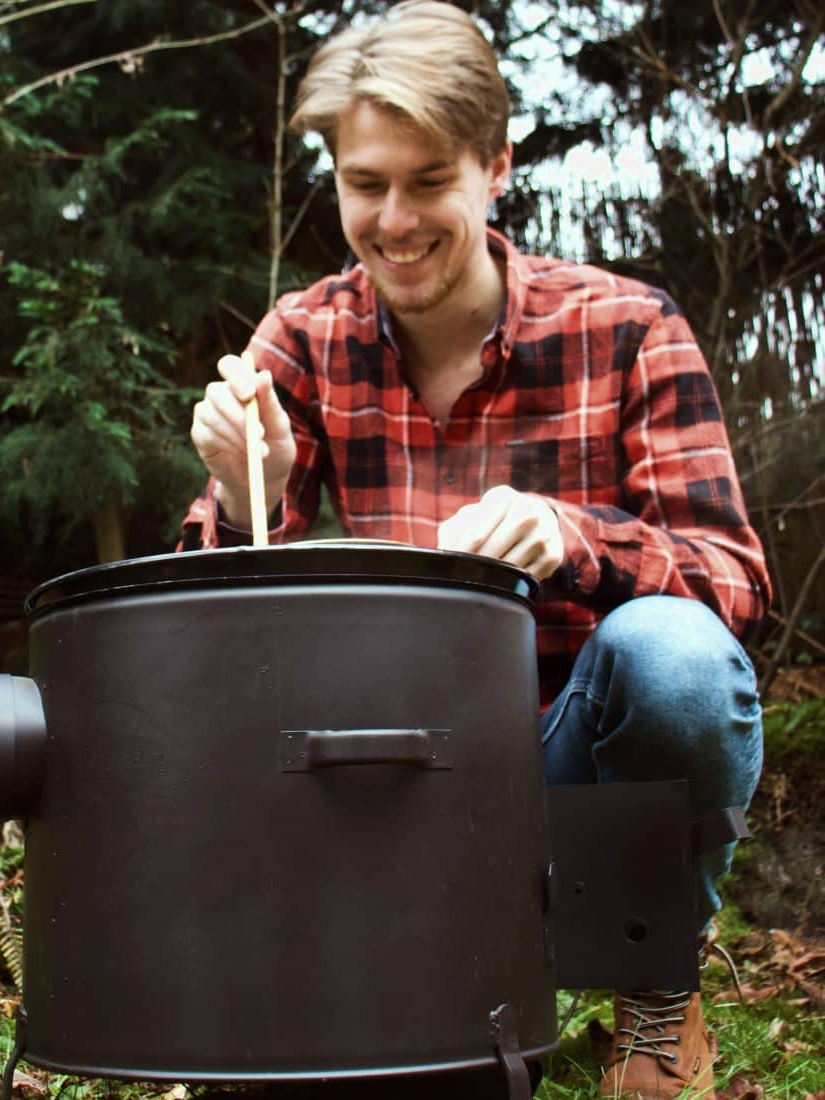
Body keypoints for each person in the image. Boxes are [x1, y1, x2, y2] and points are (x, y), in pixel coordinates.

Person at [181, 3, 770, 1096]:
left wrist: (573, 537)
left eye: (427, 180)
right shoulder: (301, 339)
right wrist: (237, 482)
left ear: (494, 167)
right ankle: (359, 980)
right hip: (381, 784)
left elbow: (730, 582)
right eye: (364, 183)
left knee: (669, 658)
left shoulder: (628, 325)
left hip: (565, 769)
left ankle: (650, 989)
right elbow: (227, 639)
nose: (393, 220)